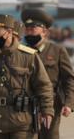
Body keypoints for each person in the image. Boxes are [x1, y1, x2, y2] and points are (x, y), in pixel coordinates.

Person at [21, 8, 74, 139]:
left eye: (33, 29)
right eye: (27, 29)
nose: (29, 32)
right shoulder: (20, 52)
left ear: (45, 31)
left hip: (51, 104)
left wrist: (69, 103)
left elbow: (69, 79)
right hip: (25, 106)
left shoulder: (57, 51)